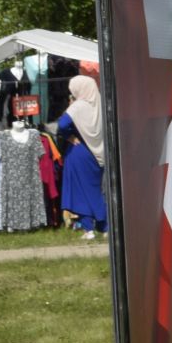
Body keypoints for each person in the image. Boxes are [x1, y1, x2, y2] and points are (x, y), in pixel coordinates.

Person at [56, 75, 106, 237]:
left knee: (81, 190)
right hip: (97, 152)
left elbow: (62, 124)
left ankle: (92, 227)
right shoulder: (100, 104)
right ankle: (102, 226)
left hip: (79, 152)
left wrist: (69, 136)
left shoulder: (78, 106)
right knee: (94, 189)